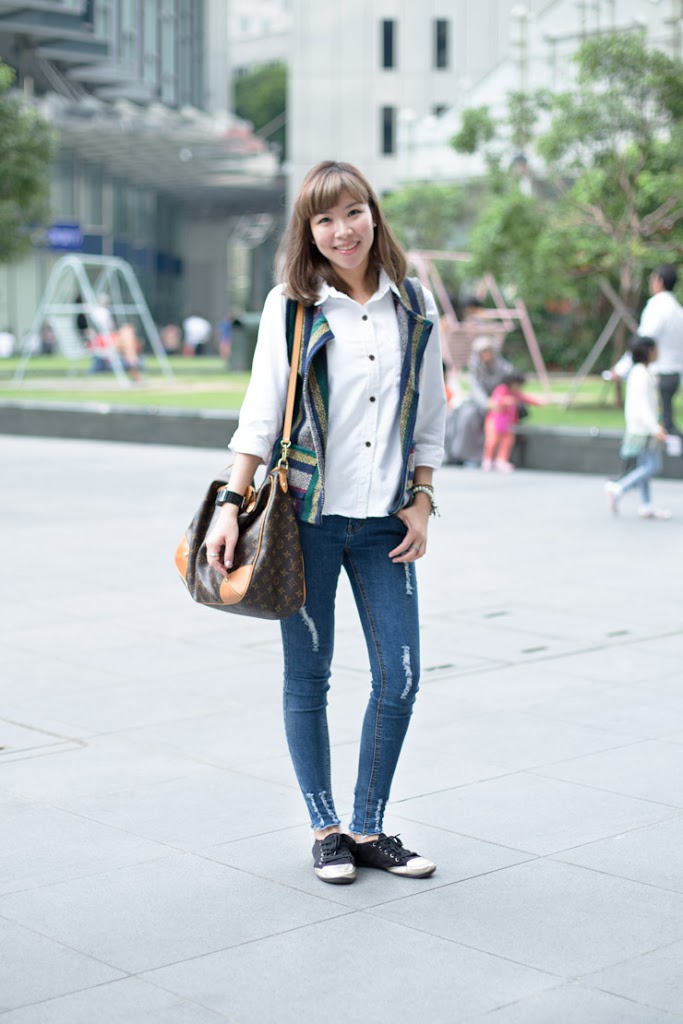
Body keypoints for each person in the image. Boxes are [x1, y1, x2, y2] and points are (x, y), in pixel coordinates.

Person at [205, 160, 446, 884]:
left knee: (400, 677)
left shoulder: (414, 303)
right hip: (304, 523)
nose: (342, 230)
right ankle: (326, 829)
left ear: (373, 214)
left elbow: (429, 417)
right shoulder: (292, 305)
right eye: (324, 219)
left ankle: (369, 827)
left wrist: (423, 499)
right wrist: (228, 506)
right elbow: (259, 414)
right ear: (308, 231)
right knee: (308, 677)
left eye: (352, 212)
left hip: (385, 527)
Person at [605, 336, 671, 520]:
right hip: (644, 428)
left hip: (640, 426)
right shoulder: (641, 374)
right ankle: (619, 487)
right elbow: (643, 405)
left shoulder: (639, 372)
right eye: (656, 349)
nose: (658, 353)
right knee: (652, 465)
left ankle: (646, 504)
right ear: (649, 351)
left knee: (644, 465)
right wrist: (655, 428)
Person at [447, 336, 513, 465]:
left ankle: (489, 458)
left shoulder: (505, 368)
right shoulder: (475, 368)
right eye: (483, 352)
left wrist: (497, 401)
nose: (486, 355)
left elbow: (507, 387)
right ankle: (465, 455)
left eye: (488, 351)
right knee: (467, 417)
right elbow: (475, 388)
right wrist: (486, 403)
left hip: (499, 405)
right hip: (479, 404)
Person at [638, 264, 683, 435]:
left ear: (659, 281)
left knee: (661, 426)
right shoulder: (678, 310)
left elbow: (644, 341)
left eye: (652, 279)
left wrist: (621, 369)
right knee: (666, 422)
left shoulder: (656, 307)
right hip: (675, 374)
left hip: (659, 374)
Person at [482, 370, 542, 472]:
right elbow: (496, 400)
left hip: (508, 423)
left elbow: (527, 399)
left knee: (507, 442)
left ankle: (501, 460)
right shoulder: (501, 389)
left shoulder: (516, 394)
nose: (518, 387)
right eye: (516, 384)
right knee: (491, 441)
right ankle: (487, 460)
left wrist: (540, 402)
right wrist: (505, 401)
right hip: (494, 421)